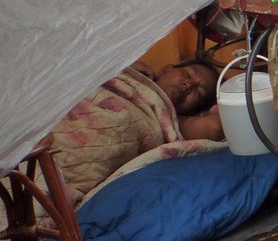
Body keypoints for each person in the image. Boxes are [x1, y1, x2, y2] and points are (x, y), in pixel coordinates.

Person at [46, 59, 225, 209]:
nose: (188, 85)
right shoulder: (124, 72)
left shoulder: (173, 122)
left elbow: (216, 127)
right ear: (167, 69)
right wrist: (120, 61)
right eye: (187, 74)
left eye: (198, 92)